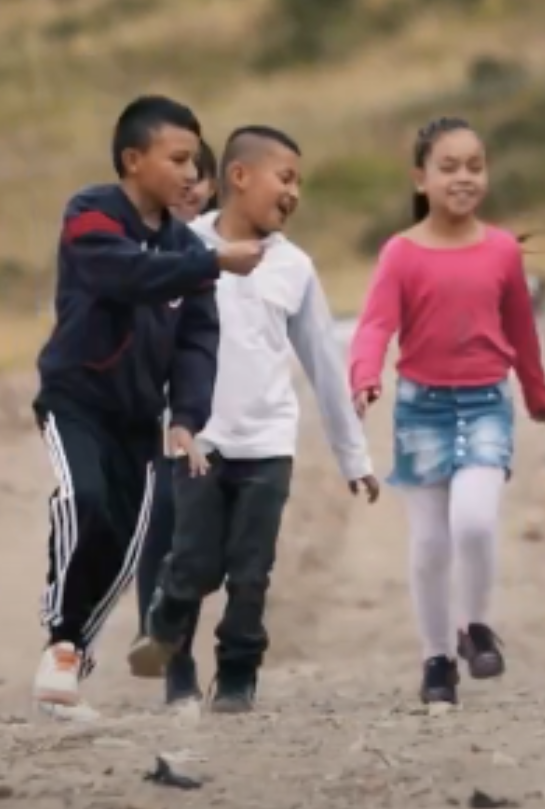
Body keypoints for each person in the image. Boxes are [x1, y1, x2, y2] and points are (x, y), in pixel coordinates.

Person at [128, 126, 383, 713]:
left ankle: (238, 674)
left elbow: (323, 362)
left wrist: (355, 459)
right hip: (198, 439)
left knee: (251, 572)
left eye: (300, 182)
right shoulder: (181, 247)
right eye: (286, 177)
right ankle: (165, 625)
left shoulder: (294, 268)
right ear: (240, 177)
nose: (295, 192)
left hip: (268, 445)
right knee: (193, 557)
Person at [30, 96, 265, 720]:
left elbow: (197, 341)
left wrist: (186, 418)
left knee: (127, 545)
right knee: (84, 502)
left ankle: (73, 652)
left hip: (141, 421)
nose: (192, 174)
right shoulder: (90, 214)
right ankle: (61, 640)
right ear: (134, 161)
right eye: (179, 158)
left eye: (196, 161)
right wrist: (211, 259)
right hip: (74, 399)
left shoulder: (186, 250)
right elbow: (122, 275)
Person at [347, 116, 545, 707]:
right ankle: (436, 658)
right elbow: (374, 325)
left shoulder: (499, 251)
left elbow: (521, 330)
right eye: (449, 167)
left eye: (475, 166)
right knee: (430, 542)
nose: (463, 178)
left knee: (474, 520)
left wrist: (538, 393)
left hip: (487, 402)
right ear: (421, 178)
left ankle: (476, 626)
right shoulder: (401, 254)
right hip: (422, 410)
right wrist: (364, 375)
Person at [132, 138, 219, 709]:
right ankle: (173, 661)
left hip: (220, 420)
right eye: (180, 175)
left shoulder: (233, 249)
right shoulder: (137, 246)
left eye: (199, 177)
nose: (189, 186)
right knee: (163, 529)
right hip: (158, 418)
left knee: (209, 548)